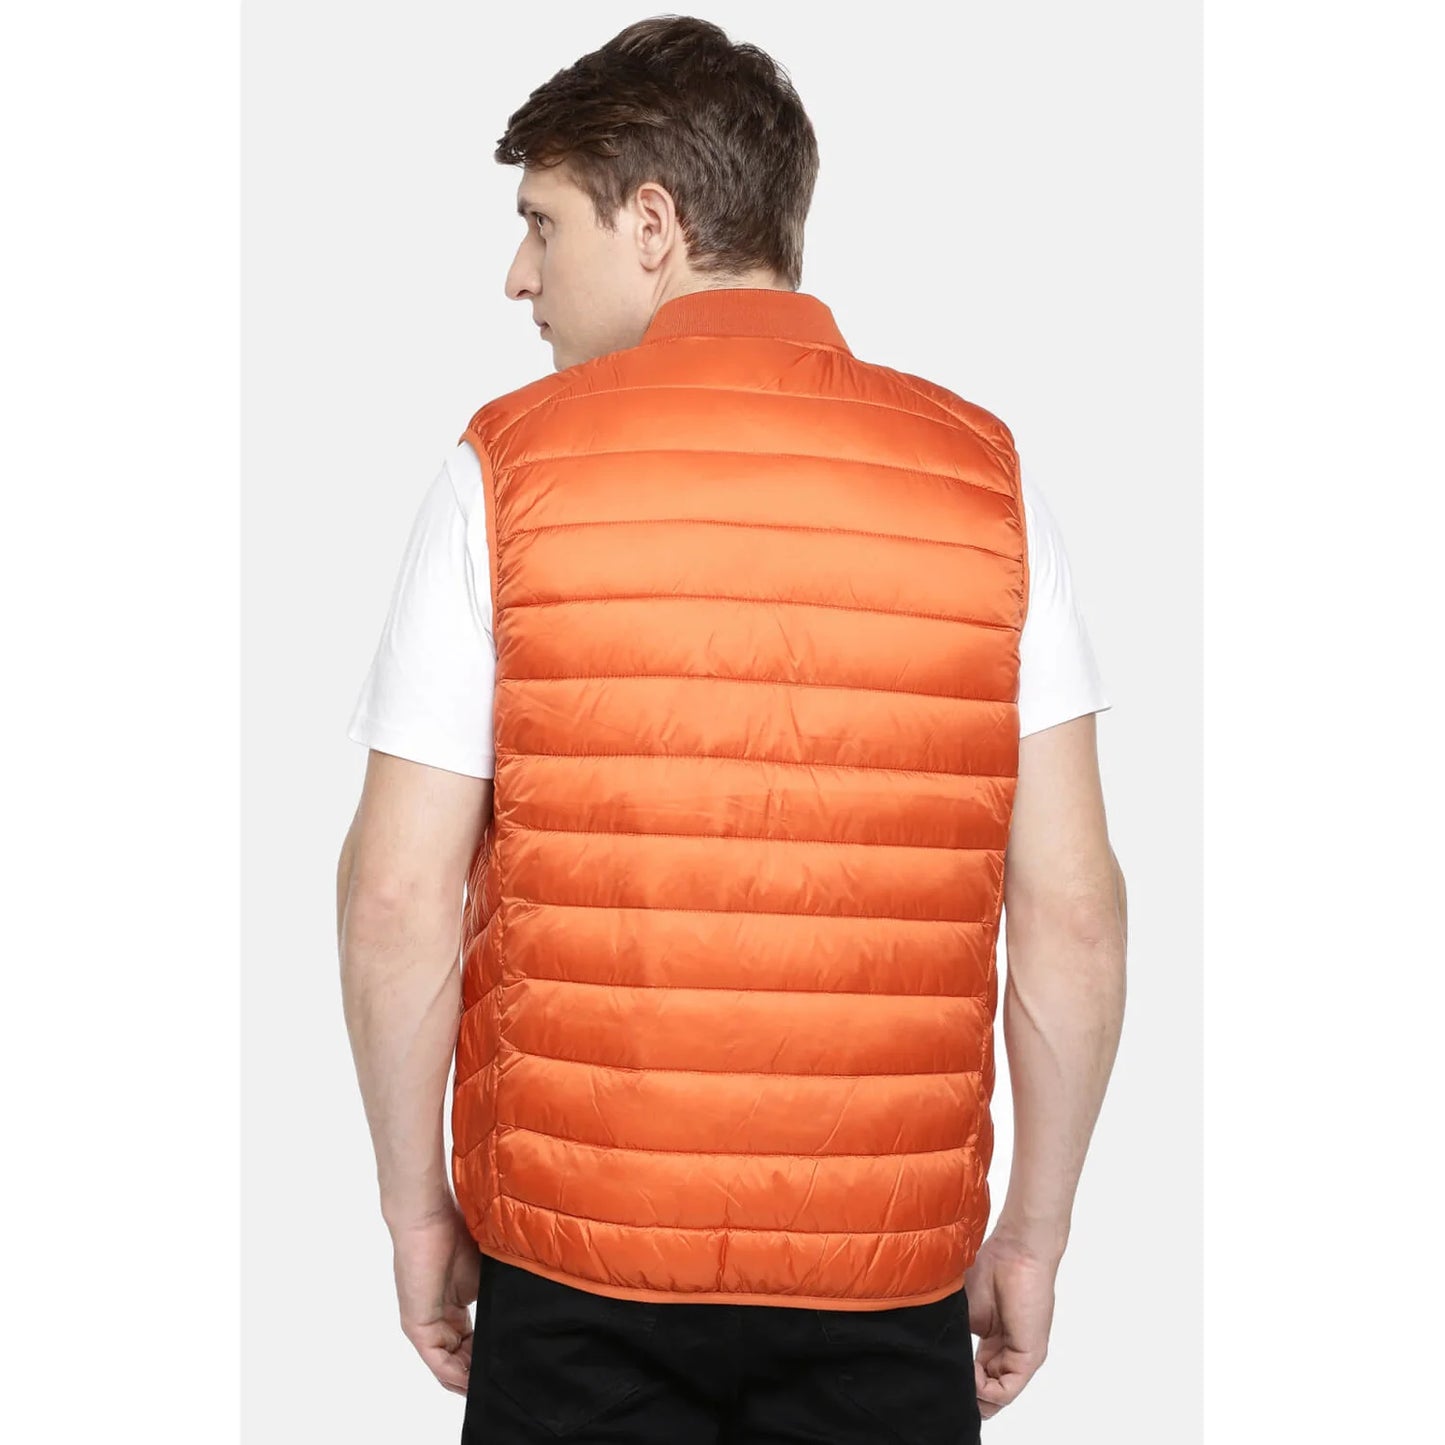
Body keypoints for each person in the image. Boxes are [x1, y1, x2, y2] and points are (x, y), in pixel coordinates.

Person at [337, 16, 1127, 1443]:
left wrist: (414, 1210)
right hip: (883, 1276)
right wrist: (1033, 1232)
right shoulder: (985, 482)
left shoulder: (503, 473)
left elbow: (397, 894)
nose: (517, 275)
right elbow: (1071, 915)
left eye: (541, 222)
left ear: (653, 226)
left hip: (574, 1270)